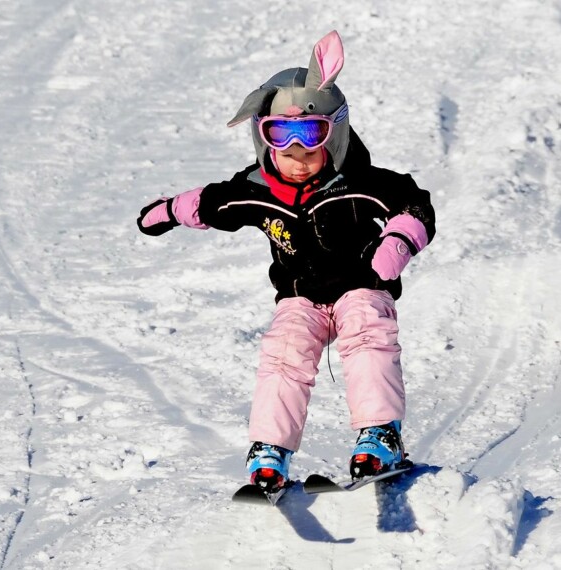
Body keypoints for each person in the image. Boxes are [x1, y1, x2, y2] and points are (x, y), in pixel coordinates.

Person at [136, 30, 436, 493]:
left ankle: (380, 435)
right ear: (263, 138)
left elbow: (414, 205)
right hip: (300, 297)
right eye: (282, 139)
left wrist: (397, 241)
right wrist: (169, 211)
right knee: (283, 356)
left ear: (334, 134)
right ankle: (270, 450)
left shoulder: (362, 182)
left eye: (311, 139)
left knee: (367, 335)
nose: (297, 158)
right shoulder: (258, 190)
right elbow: (214, 203)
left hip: (362, 284)